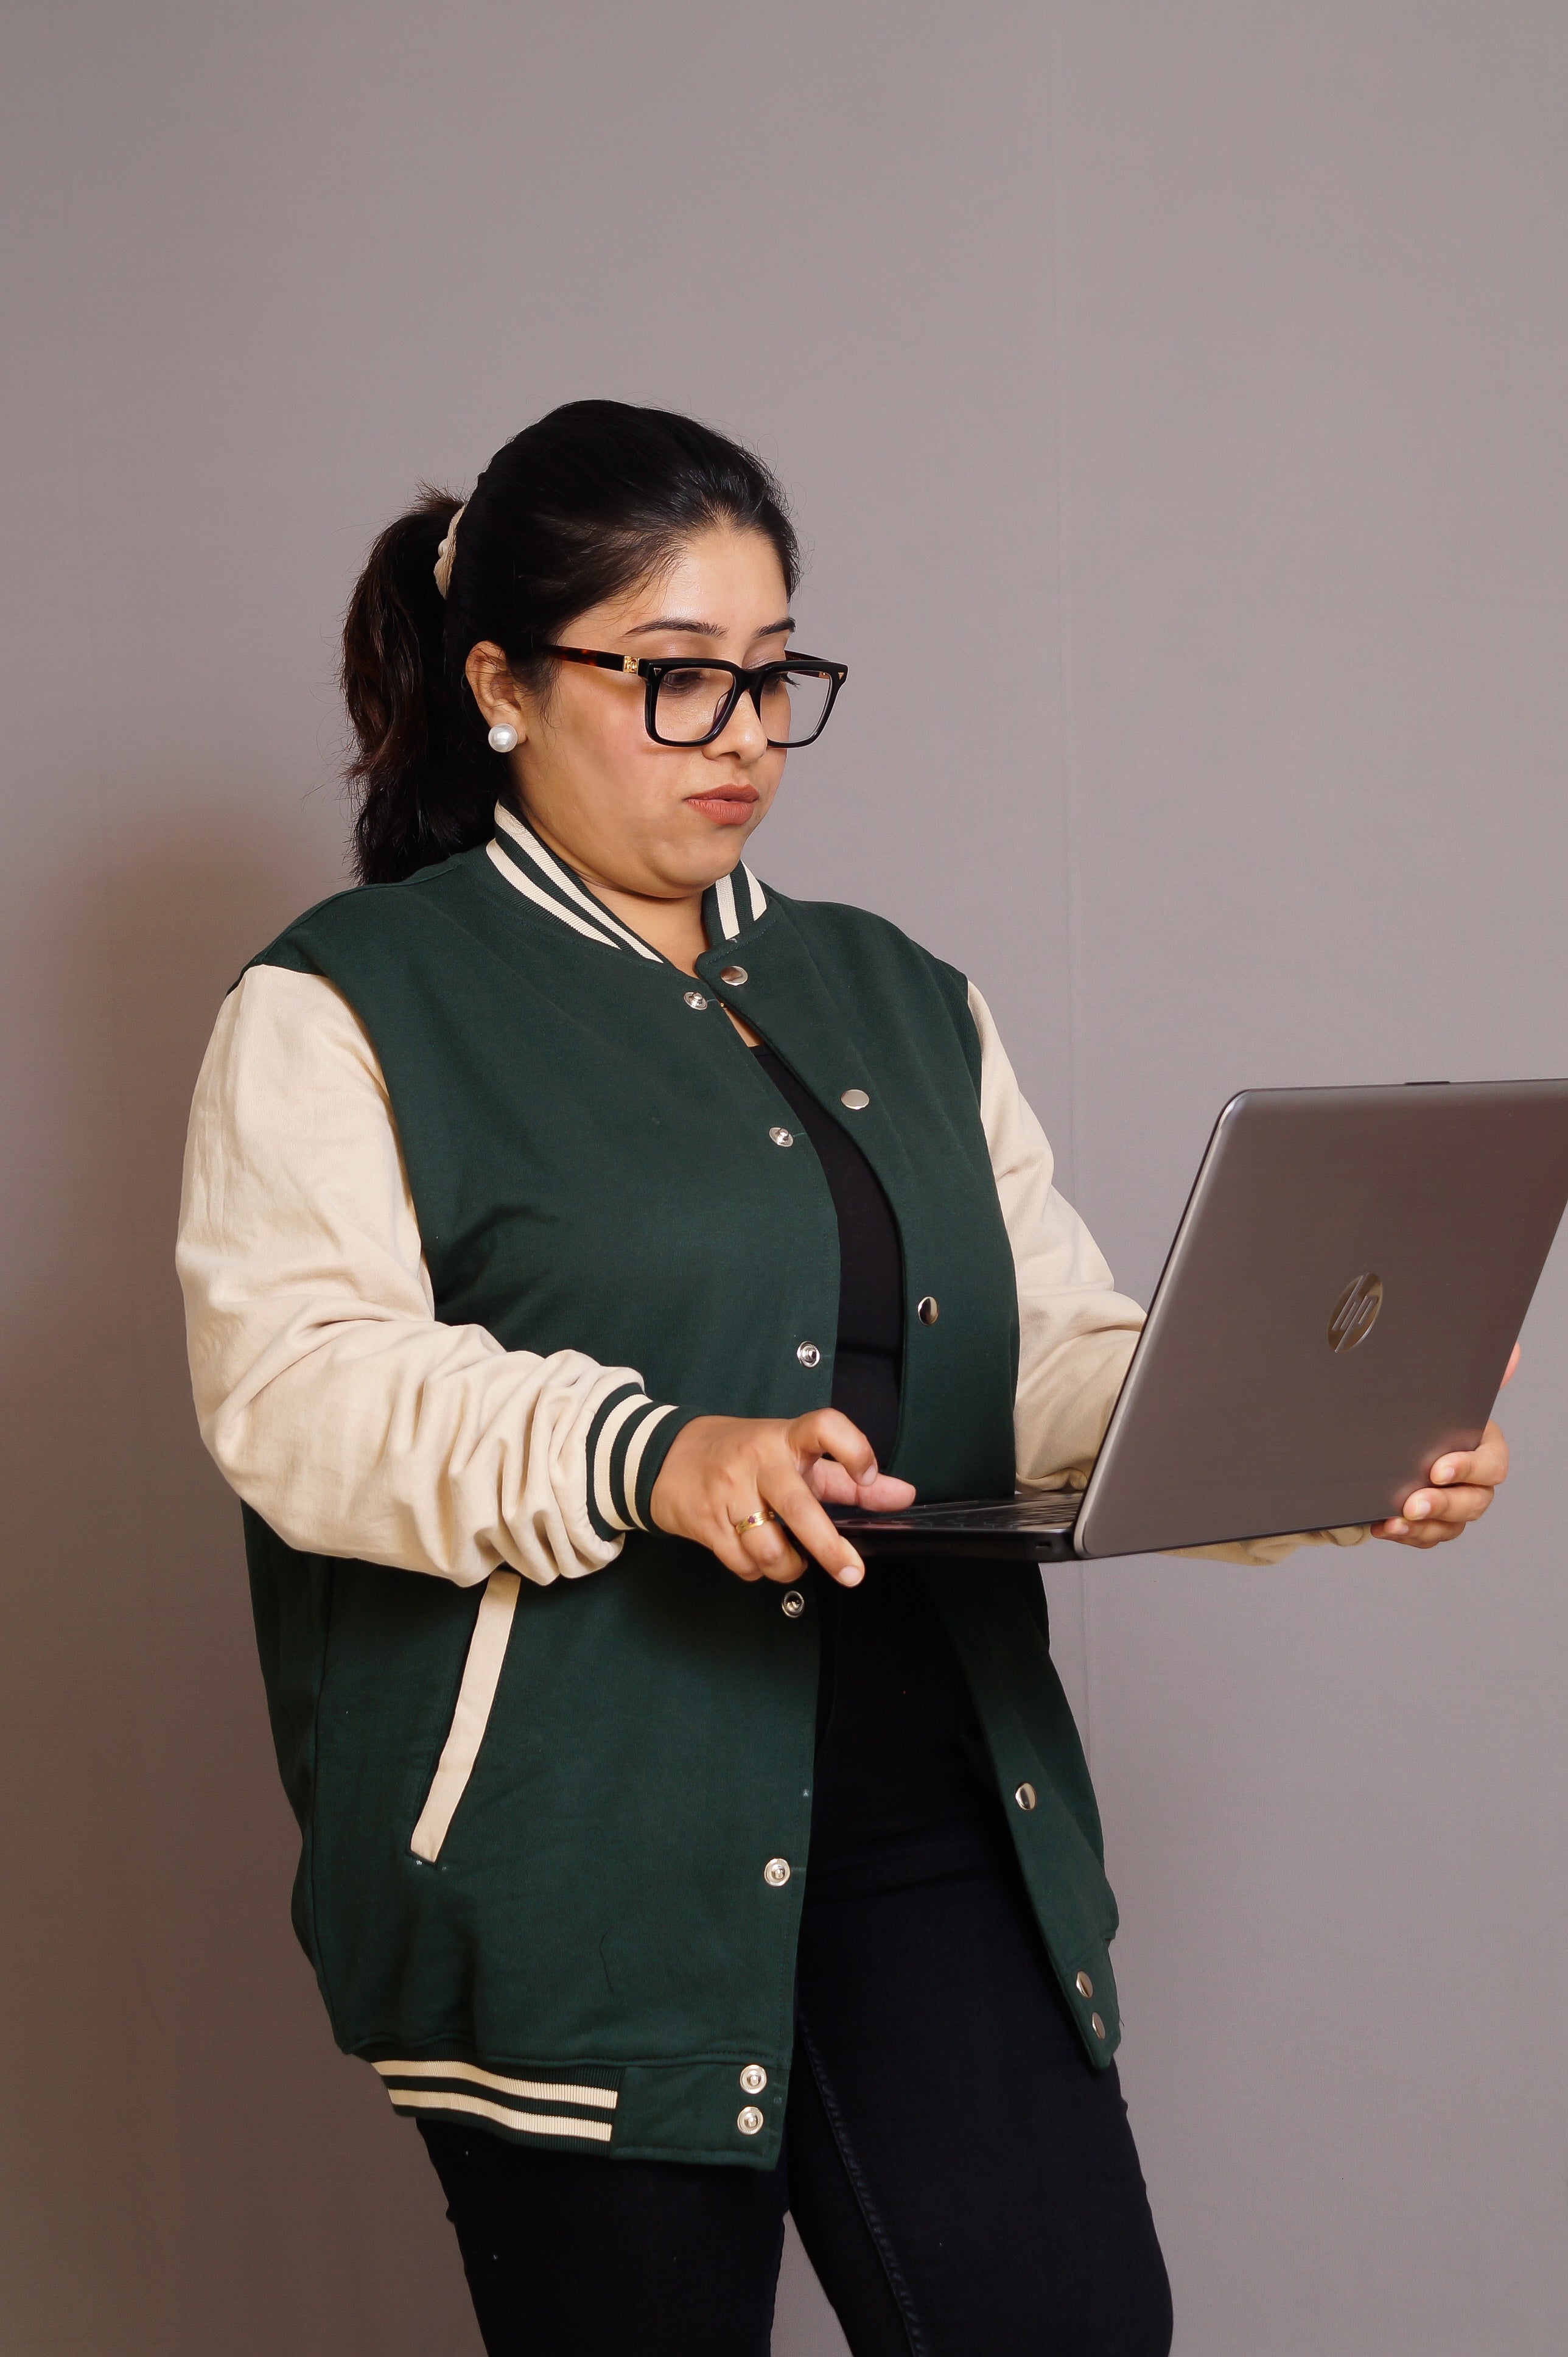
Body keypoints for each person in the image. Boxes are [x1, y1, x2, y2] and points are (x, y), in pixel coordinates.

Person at [176, 400, 1510, 2357]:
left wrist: (1309, 1447)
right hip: (585, 1863)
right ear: (498, 684)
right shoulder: (344, 1001)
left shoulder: (900, 989)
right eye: (673, 677)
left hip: (933, 1809)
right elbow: (298, 1389)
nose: (739, 734)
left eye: (774, 676)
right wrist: (653, 1455)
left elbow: (1038, 1354)